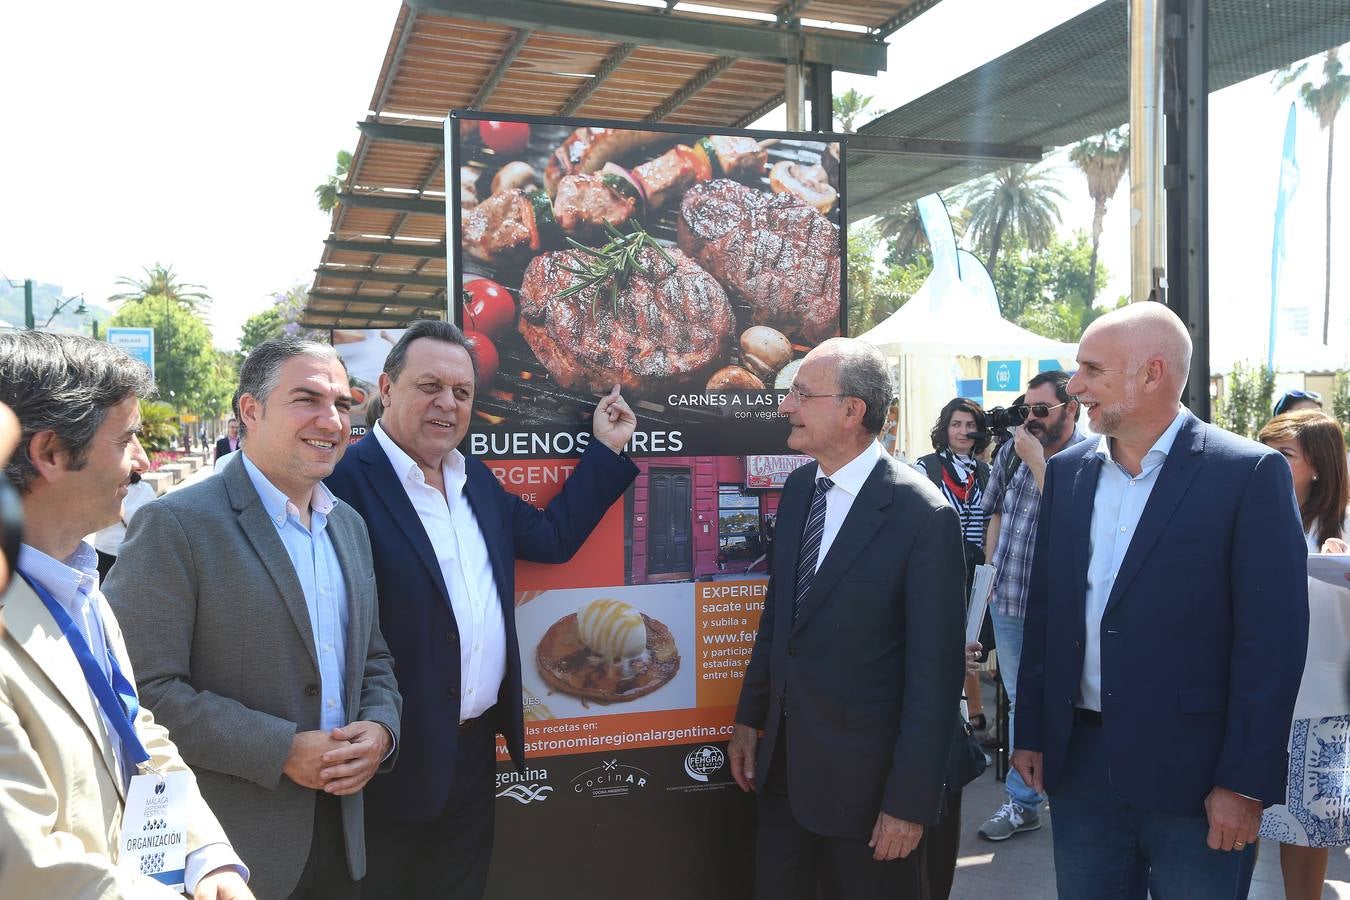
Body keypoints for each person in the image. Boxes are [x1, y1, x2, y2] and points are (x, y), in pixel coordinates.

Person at [323, 320, 637, 900]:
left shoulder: (475, 481)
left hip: (472, 751)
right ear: (387, 389)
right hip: (388, 757)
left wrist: (606, 450)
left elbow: (550, 540)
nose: (448, 403)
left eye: (462, 393)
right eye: (430, 386)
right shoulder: (342, 483)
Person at [1012, 302, 1309, 899]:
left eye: (1091, 370)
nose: (1074, 388)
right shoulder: (1068, 472)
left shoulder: (1247, 474)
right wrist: (1033, 731)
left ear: (1151, 373)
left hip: (1199, 779)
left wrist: (1243, 783)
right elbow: (1048, 610)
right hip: (1082, 768)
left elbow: (1271, 643)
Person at [107, 338, 402, 900]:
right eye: (307, 399)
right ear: (250, 410)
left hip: (345, 837)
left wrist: (382, 729)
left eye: (342, 404)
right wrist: (281, 749)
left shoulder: (350, 527)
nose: (331, 420)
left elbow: (373, 657)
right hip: (231, 856)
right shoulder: (177, 525)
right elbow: (138, 692)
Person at [0, 331, 252, 899]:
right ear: (50, 453)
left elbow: (134, 729)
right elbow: (26, 866)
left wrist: (205, 856)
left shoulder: (79, 580)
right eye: (127, 439)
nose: (141, 462)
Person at [728, 338, 965, 899]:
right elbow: (779, 622)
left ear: (852, 410)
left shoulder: (921, 514)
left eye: (802, 395)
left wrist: (908, 804)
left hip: (869, 800)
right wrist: (748, 718)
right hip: (785, 777)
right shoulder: (798, 490)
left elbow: (935, 678)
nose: (786, 406)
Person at [976, 370, 1084, 841]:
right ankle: (1023, 803)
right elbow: (994, 511)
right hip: (1010, 595)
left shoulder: (1087, 458)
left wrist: (1039, 462)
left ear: (1072, 408)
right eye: (1027, 410)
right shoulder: (1010, 451)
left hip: (1063, 604)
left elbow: (1074, 523)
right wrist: (988, 577)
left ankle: (1072, 797)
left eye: (1042, 410)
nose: (1032, 419)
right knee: (1021, 700)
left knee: (1071, 699)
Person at [1256, 410, 1350, 899]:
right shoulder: (1252, 511)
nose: (1268, 461)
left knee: (1307, 829)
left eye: (1284, 453)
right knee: (1241, 817)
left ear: (1319, 464)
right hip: (1257, 693)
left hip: (1322, 700)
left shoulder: (1343, 525)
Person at [92, 469, 157, 582]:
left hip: (135, 553)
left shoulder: (145, 489)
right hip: (105, 551)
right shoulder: (102, 489)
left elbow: (152, 521)